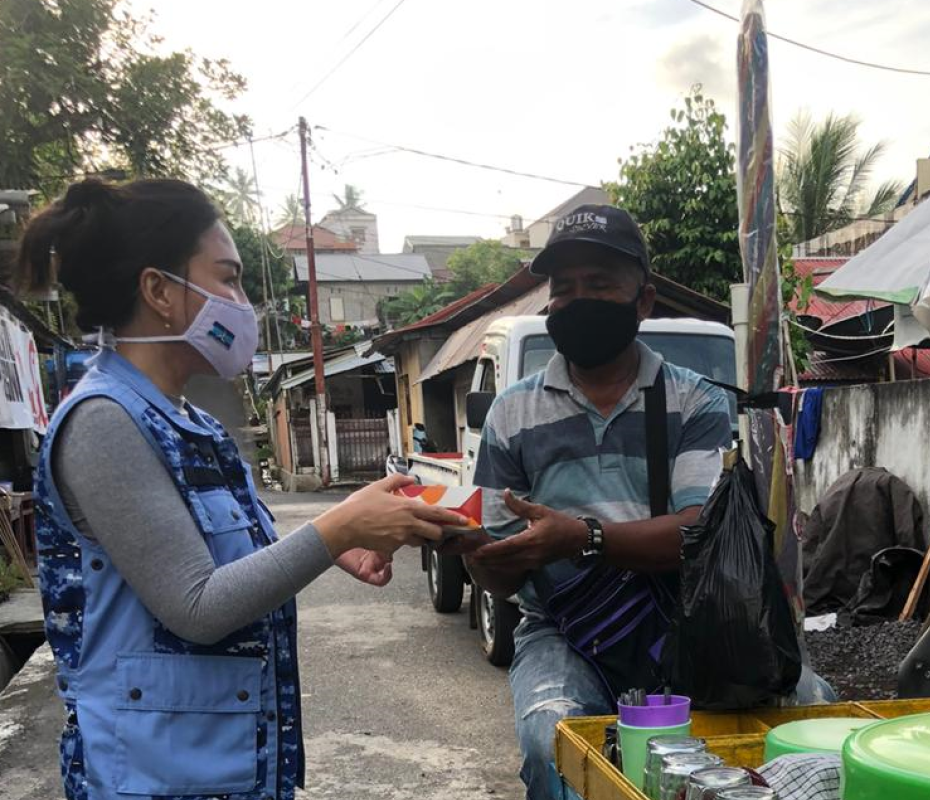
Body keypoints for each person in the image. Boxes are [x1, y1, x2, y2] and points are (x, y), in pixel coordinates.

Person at [19, 179, 468, 800]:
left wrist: (343, 542)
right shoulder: (104, 423)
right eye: (227, 278)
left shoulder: (192, 423)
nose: (243, 302)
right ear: (159, 291)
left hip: (222, 769)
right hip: (152, 780)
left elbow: (219, 561)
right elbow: (197, 606)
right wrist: (337, 527)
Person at [460, 205, 734, 800]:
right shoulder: (512, 412)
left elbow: (698, 534)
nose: (578, 301)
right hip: (559, 629)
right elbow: (498, 573)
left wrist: (582, 537)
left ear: (643, 301)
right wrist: (476, 552)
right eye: (565, 290)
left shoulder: (695, 403)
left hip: (677, 621)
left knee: (804, 715)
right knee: (549, 739)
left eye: (600, 285)